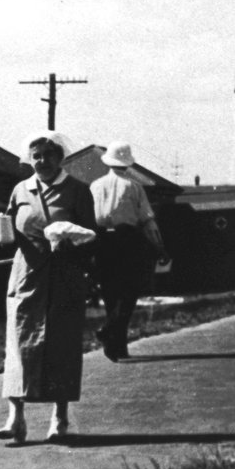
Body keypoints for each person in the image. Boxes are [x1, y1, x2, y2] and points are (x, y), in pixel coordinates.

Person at [0, 131, 98, 444]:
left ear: (60, 157)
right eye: (36, 155)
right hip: (26, 275)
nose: (42, 162)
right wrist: (3, 231)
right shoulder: (20, 189)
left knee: (61, 344)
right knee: (19, 343)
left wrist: (71, 245)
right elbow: (11, 227)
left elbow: (91, 235)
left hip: (63, 276)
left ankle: (60, 417)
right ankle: (16, 418)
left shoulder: (78, 191)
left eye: (48, 155)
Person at [91, 141, 165, 362]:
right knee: (129, 291)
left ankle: (117, 348)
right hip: (128, 239)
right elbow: (148, 221)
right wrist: (160, 247)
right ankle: (109, 331)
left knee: (110, 294)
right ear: (127, 163)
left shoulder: (95, 186)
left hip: (102, 239)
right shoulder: (134, 187)